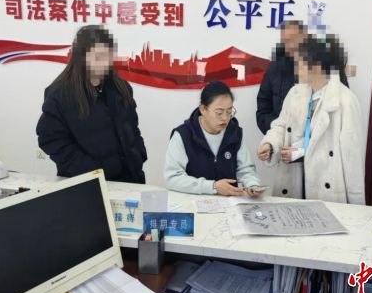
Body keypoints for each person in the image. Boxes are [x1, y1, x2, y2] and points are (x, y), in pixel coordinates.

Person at [257, 34, 364, 204]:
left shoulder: (345, 101)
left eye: (299, 63)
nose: (295, 68)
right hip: (294, 178)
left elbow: (352, 157)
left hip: (326, 185)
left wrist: (356, 205)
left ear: (317, 65)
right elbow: (280, 125)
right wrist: (270, 145)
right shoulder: (295, 93)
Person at [36, 25, 147, 183]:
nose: (105, 63)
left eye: (108, 56)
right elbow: (50, 138)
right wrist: (89, 170)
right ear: (82, 57)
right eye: (98, 57)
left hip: (130, 178)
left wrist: (138, 154)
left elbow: (132, 127)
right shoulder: (61, 95)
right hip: (87, 182)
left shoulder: (120, 87)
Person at [165, 81, 263, 196]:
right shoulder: (183, 135)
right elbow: (172, 178)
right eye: (219, 112)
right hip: (192, 201)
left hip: (228, 203)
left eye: (229, 112)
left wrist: (252, 185)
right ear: (203, 109)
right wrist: (212, 187)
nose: (225, 118)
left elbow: (246, 170)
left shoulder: (234, 133)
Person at [256, 20, 307, 134]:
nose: (290, 45)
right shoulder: (274, 68)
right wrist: (276, 128)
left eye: (294, 39)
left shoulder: (321, 67)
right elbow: (263, 105)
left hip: (312, 139)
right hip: (280, 137)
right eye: (286, 41)